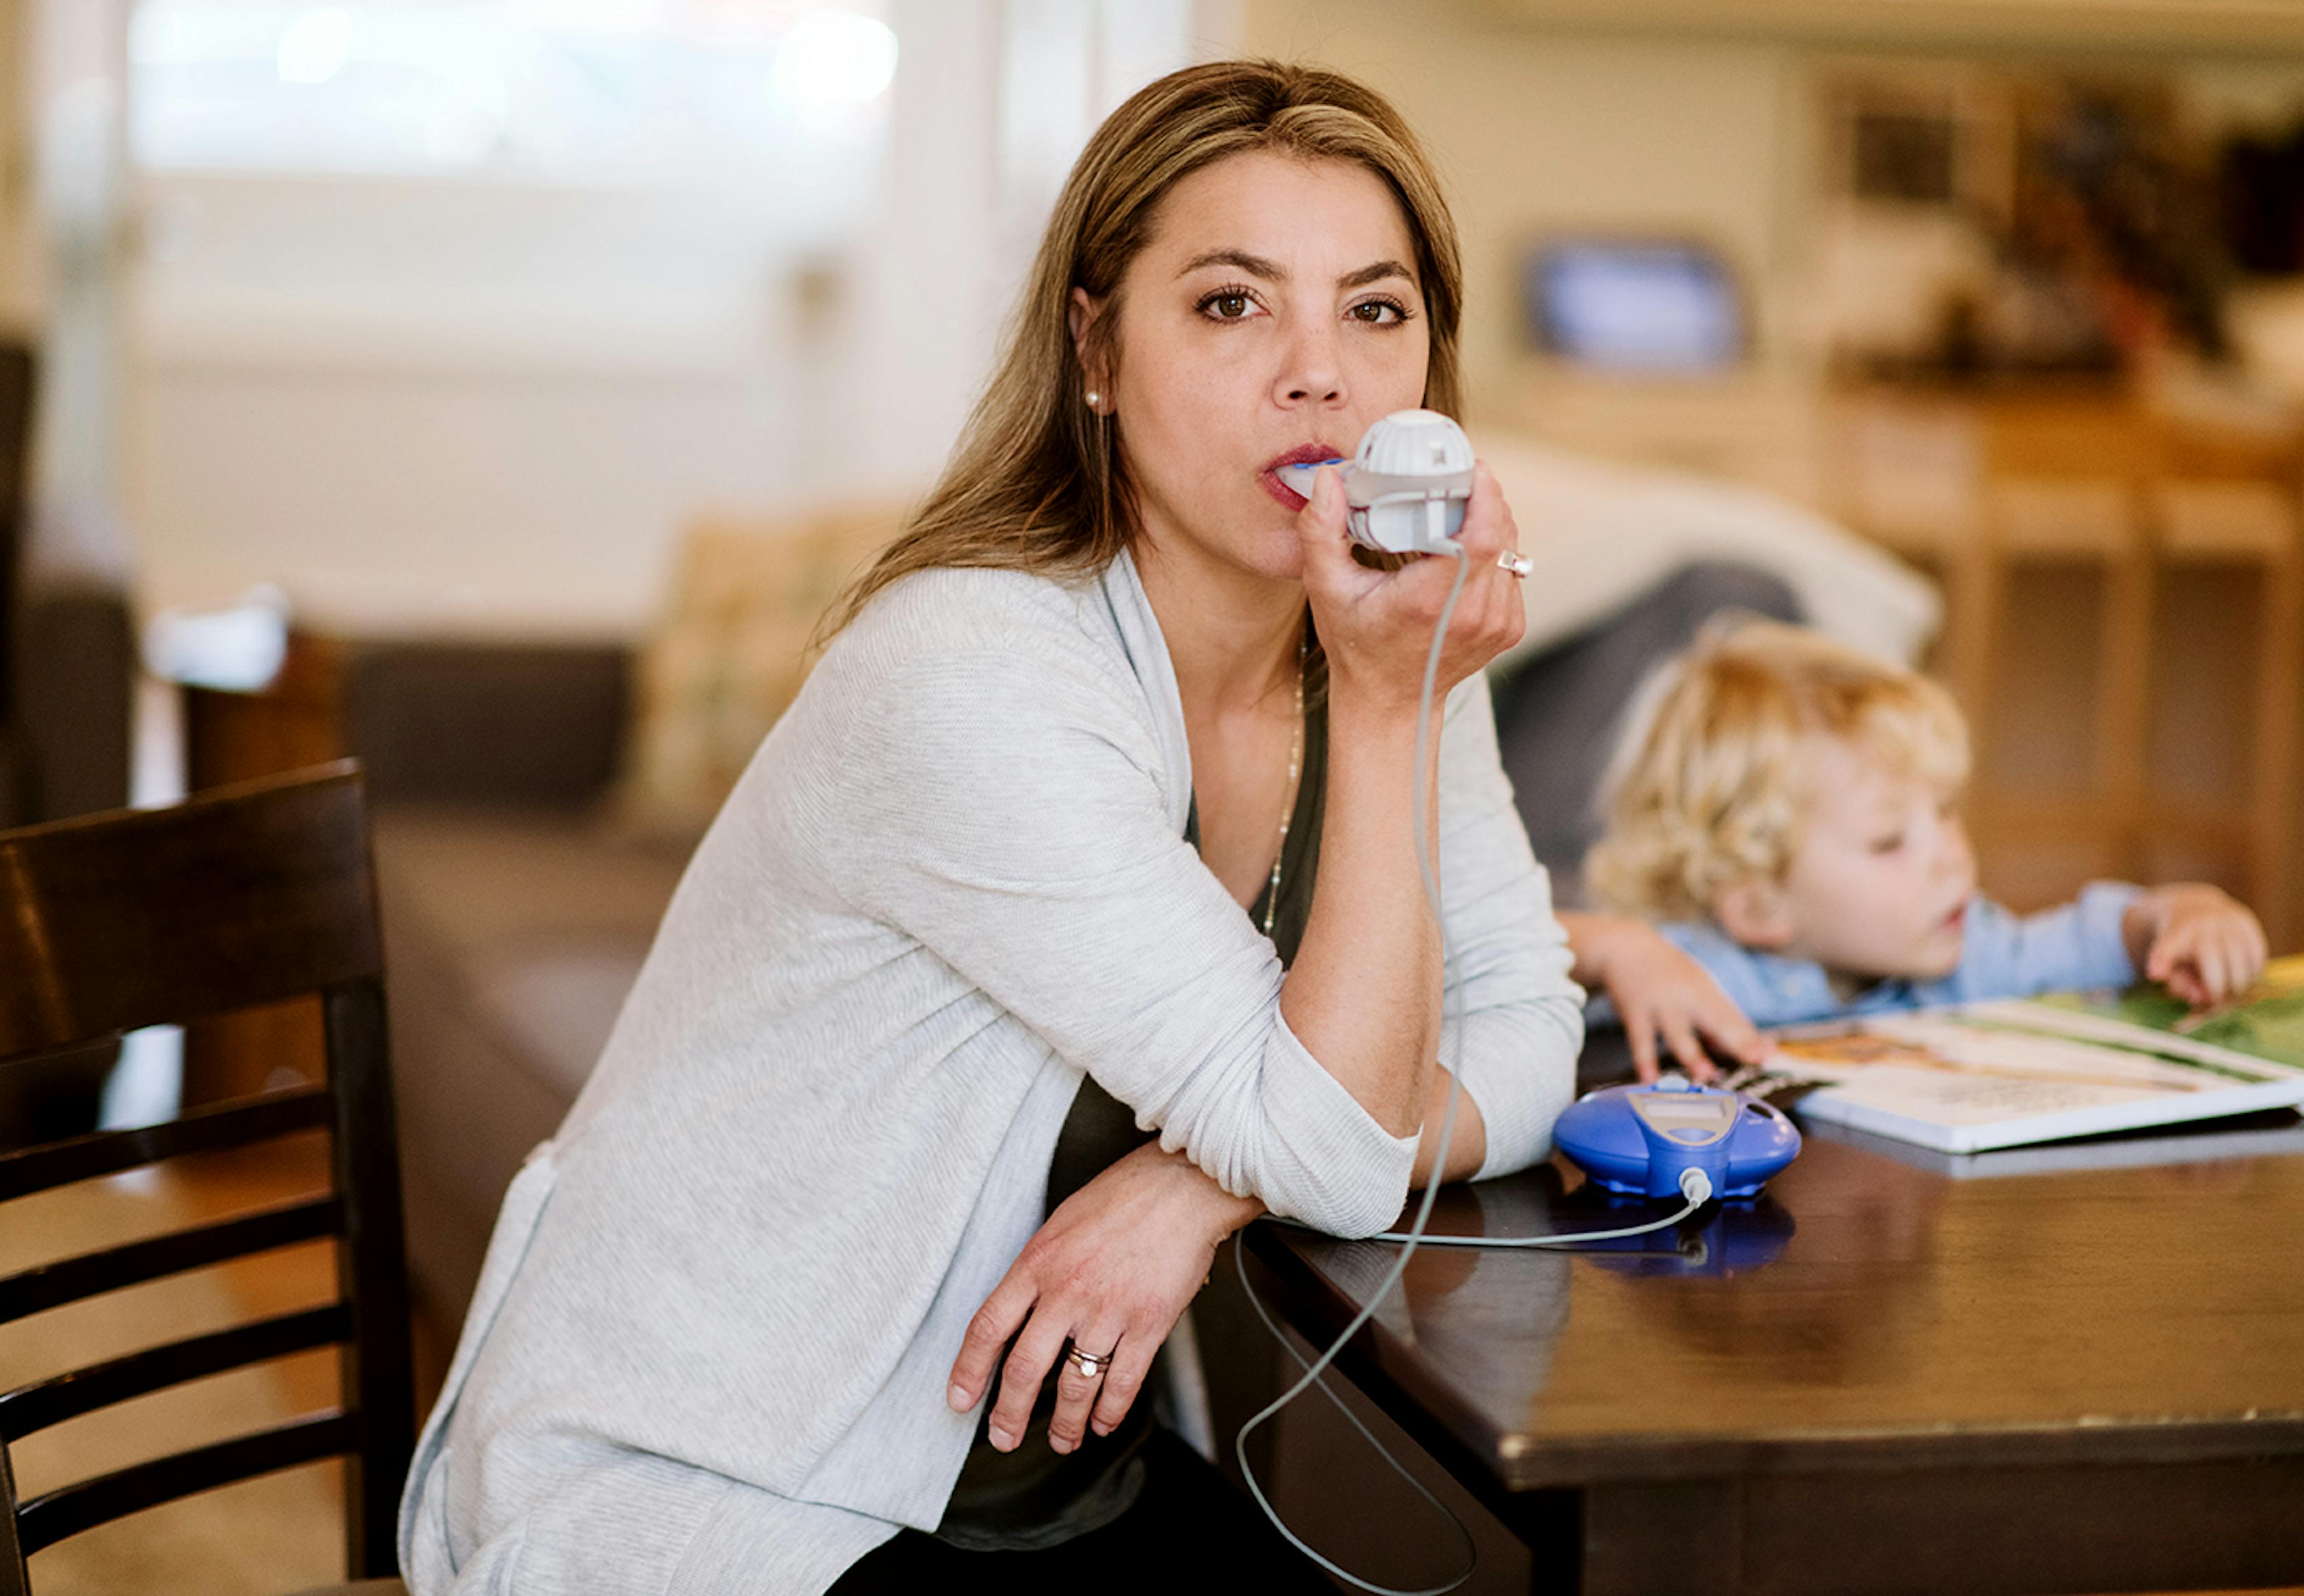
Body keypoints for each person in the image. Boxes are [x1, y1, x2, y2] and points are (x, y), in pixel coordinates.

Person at [395, 60, 1654, 1596]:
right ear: (1095, 351)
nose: (1319, 375)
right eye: (1230, 304)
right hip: (723, 1486)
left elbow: (1525, 1026)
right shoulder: (971, 672)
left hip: (1034, 1486)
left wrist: (1203, 1179)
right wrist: (1388, 724)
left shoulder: (1387, 632)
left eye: (1374, 311)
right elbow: (1343, 1140)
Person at [1558, 619, 2267, 1080]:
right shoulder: (1691, 973)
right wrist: (1618, 951)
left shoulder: (1960, 951)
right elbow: (1514, 953)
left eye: (1948, 810)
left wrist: (2179, 915)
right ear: (1757, 903)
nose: (1951, 857)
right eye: (1889, 839)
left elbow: (2085, 942)